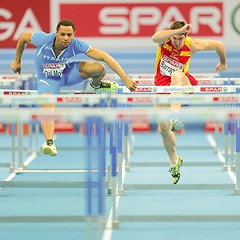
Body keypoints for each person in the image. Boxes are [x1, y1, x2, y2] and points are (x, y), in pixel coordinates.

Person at [11, 19, 137, 157]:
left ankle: (96, 85)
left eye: (69, 35)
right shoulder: (43, 39)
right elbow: (23, 37)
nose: (66, 38)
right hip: (47, 80)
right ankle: (49, 142)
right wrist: (17, 60)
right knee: (47, 104)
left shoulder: (76, 44)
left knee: (99, 68)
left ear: (74, 34)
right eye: (63, 34)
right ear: (56, 33)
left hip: (67, 74)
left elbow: (104, 56)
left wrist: (125, 78)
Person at [152, 21, 227, 184]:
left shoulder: (192, 45)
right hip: (162, 86)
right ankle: (174, 162)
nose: (177, 42)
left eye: (180, 39)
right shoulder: (164, 41)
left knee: (177, 74)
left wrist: (223, 62)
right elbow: (154, 37)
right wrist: (176, 31)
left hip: (183, 83)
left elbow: (219, 44)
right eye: (175, 38)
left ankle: (175, 116)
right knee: (163, 130)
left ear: (186, 37)